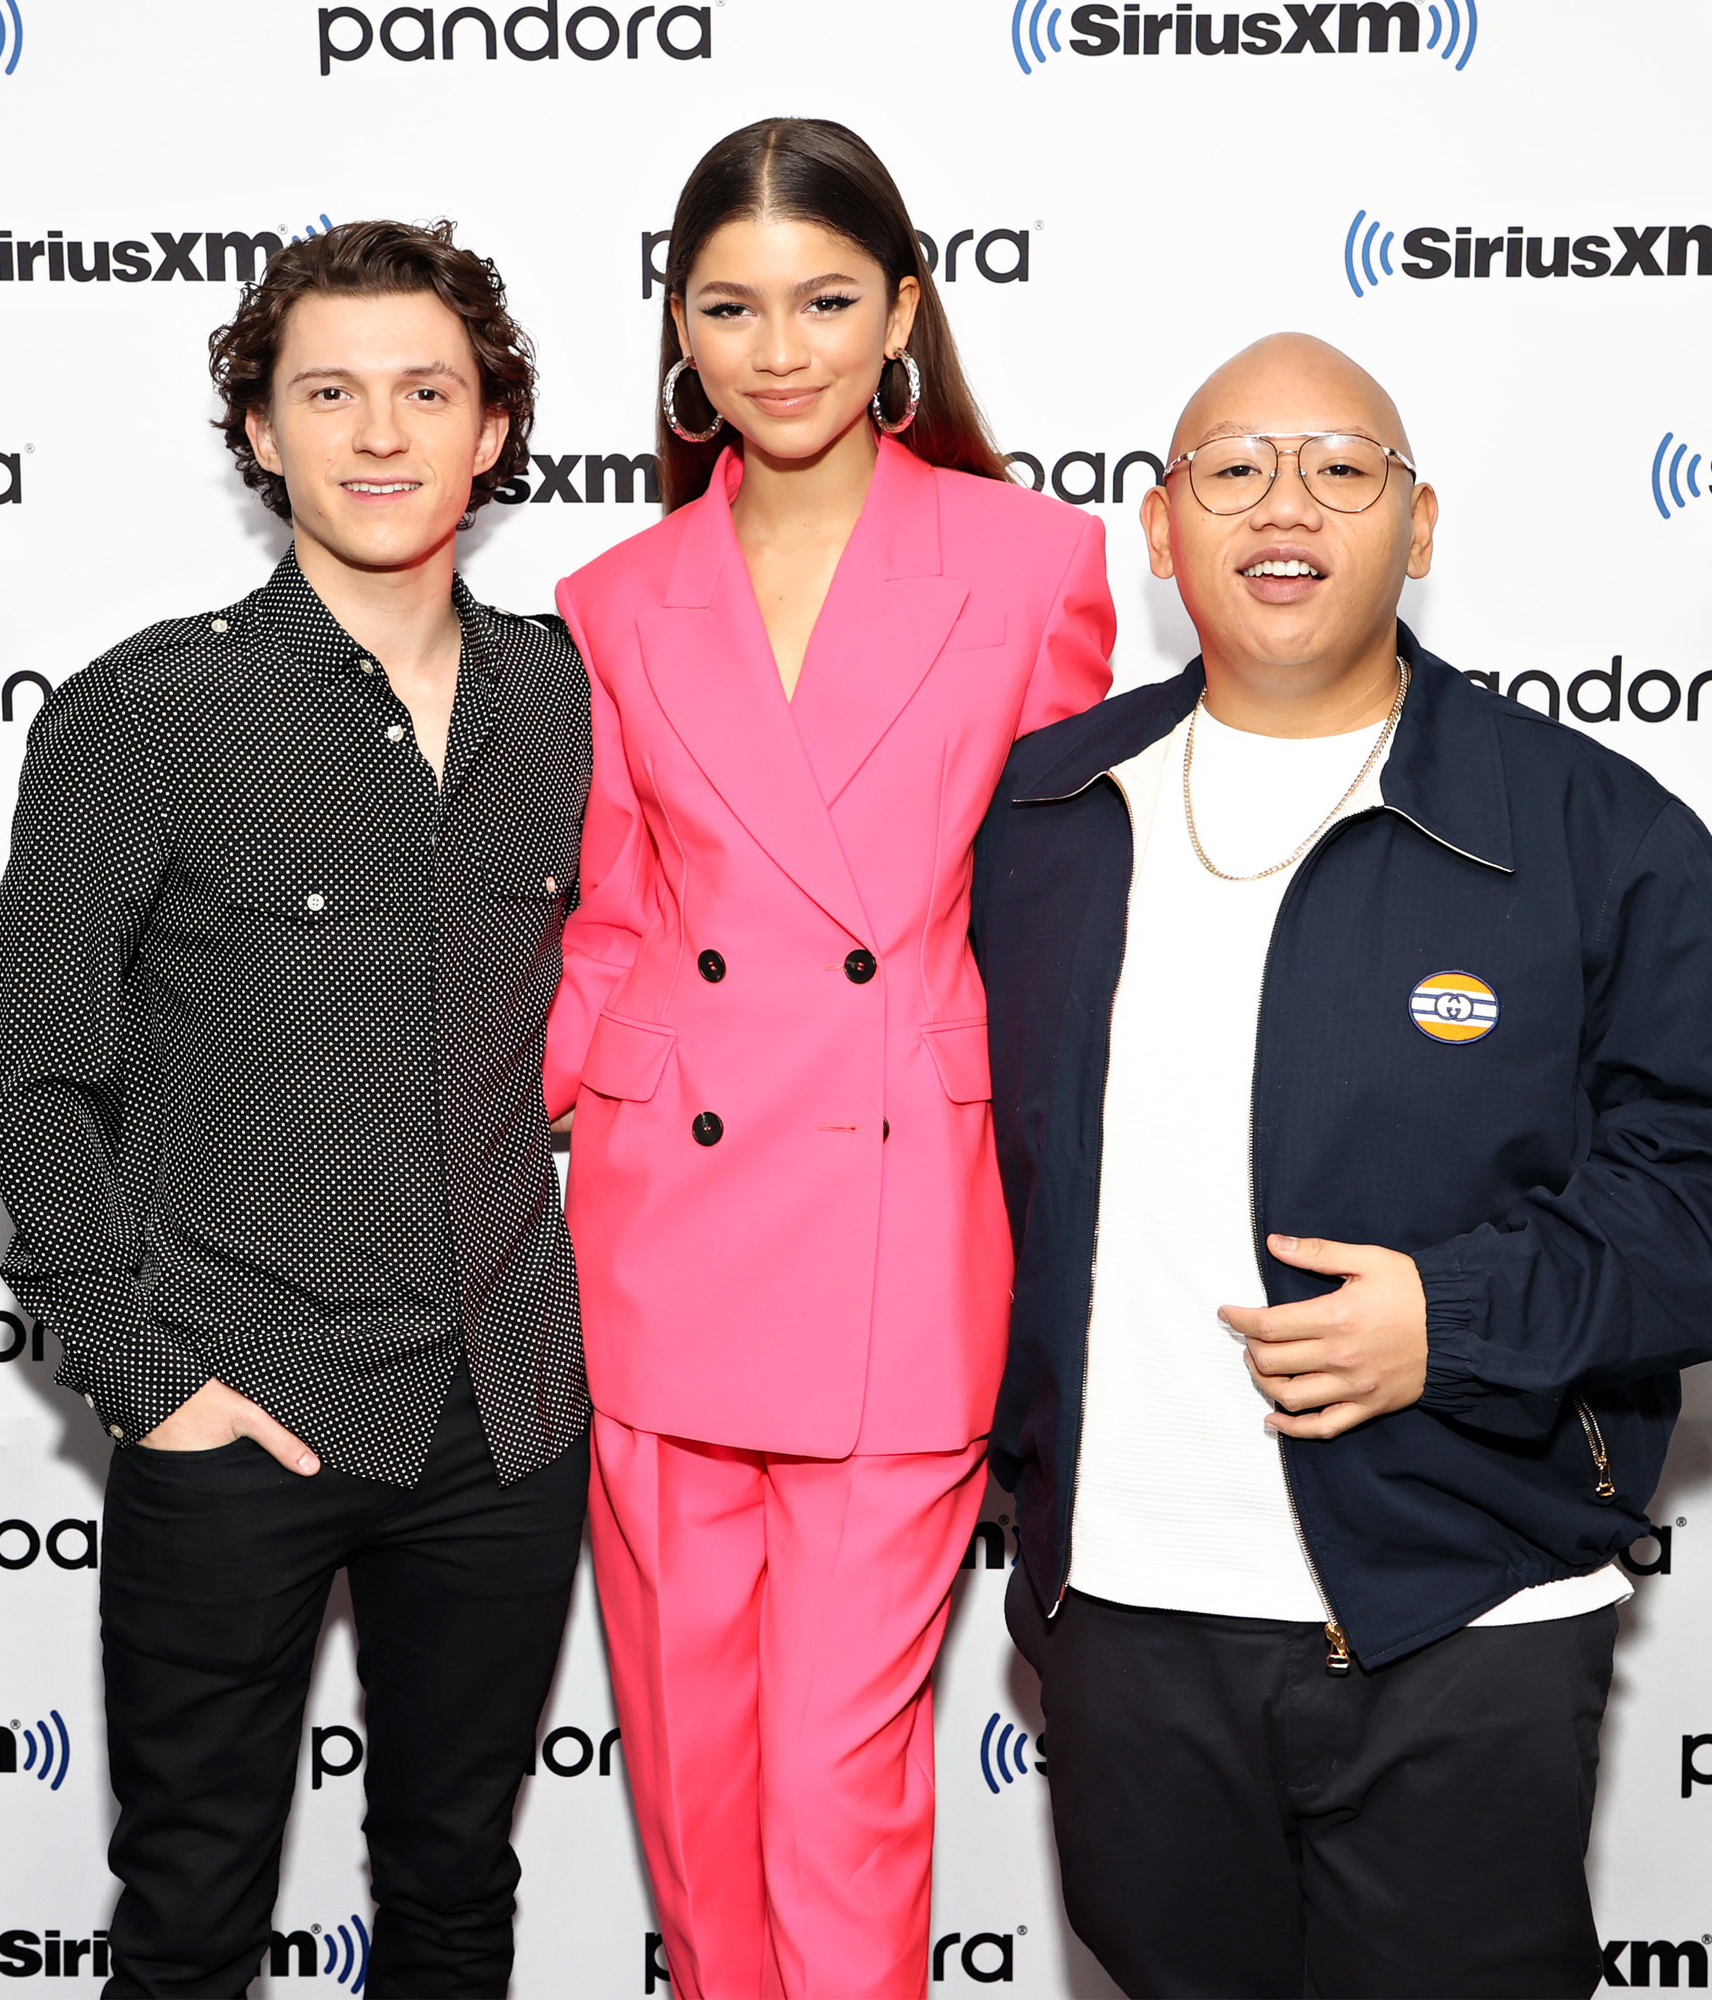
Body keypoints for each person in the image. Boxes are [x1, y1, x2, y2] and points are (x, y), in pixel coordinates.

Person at [970, 334, 1712, 2000]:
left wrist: (1458, 1317)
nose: (1282, 503)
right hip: (1130, 1627)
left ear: (1420, 522)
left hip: (1464, 1618)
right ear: (1160, 531)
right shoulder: (1041, 814)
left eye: (1341, 467)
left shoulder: (1585, 824)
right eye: (1231, 467)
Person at [0, 221, 591, 2000]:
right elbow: (28, 1076)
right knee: (189, 1919)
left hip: (509, 1408)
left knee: (457, 1900)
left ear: (491, 431)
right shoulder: (149, 711)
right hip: (235, 1409)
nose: (379, 433)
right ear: (260, 426)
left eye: (425, 389)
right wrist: (149, 1377)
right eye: (329, 390)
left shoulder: (569, 698)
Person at [546, 117, 1116, 2000]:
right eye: (730, 306)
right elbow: (615, 918)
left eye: (824, 300)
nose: (778, 348)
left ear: (903, 316)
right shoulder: (615, 601)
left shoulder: (1033, 563)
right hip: (665, 1241)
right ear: (681, 339)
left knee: (834, 1796)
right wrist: (488, 1110)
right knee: (696, 1795)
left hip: (902, 1235)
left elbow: (1067, 920)